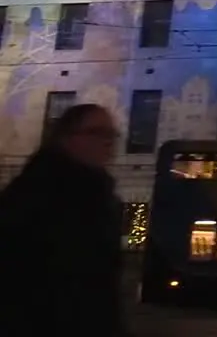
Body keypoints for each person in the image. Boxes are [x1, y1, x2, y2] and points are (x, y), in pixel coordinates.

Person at [0, 103, 129, 336]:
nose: (108, 141)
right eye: (96, 132)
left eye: (111, 134)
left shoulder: (99, 194)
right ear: (66, 138)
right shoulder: (38, 195)